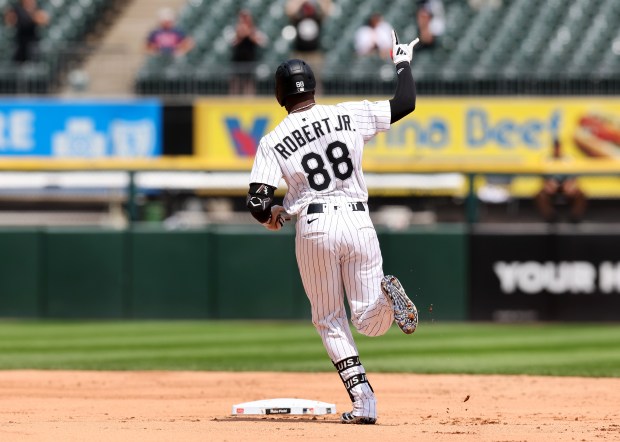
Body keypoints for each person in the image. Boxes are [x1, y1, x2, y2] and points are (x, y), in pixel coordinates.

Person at [246, 31, 419, 425]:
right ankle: (385, 300)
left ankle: (364, 402)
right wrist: (402, 61)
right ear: (313, 86)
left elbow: (256, 203)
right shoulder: (348, 113)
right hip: (359, 219)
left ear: (279, 95)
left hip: (315, 224)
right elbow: (405, 103)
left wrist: (272, 212)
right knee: (369, 322)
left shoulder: (273, 140)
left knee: (329, 319)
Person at [535, 138, 587, 223]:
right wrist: (548, 184)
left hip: (566, 184)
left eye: (558, 147)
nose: (557, 150)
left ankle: (575, 217)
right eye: (555, 147)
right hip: (552, 185)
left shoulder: (569, 159)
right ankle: (550, 217)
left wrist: (570, 185)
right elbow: (543, 178)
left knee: (580, 194)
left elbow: (574, 177)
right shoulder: (546, 159)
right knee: (540, 195)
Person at [285, 0, 332, 90]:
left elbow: (328, 10)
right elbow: (289, 11)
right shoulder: (298, 18)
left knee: (316, 78)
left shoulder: (317, 18)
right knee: (296, 77)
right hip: (299, 52)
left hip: (314, 53)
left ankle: (318, 97)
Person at [230, 9, 267, 95]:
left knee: (249, 84)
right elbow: (232, 42)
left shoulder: (255, 31)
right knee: (235, 84)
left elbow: (262, 42)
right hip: (237, 62)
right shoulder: (234, 29)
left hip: (250, 62)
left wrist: (250, 33)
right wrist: (240, 34)